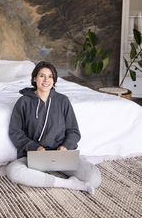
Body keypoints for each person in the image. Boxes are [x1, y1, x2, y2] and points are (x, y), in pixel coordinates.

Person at [6, 61, 101, 194]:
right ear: (34, 78)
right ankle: (67, 183)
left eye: (50, 76)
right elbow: (15, 132)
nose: (46, 80)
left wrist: (65, 147)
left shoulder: (63, 101)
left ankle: (50, 176)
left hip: (61, 154)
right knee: (13, 171)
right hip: (34, 155)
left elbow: (73, 131)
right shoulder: (23, 102)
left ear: (54, 80)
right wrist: (35, 147)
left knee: (94, 178)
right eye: (42, 76)